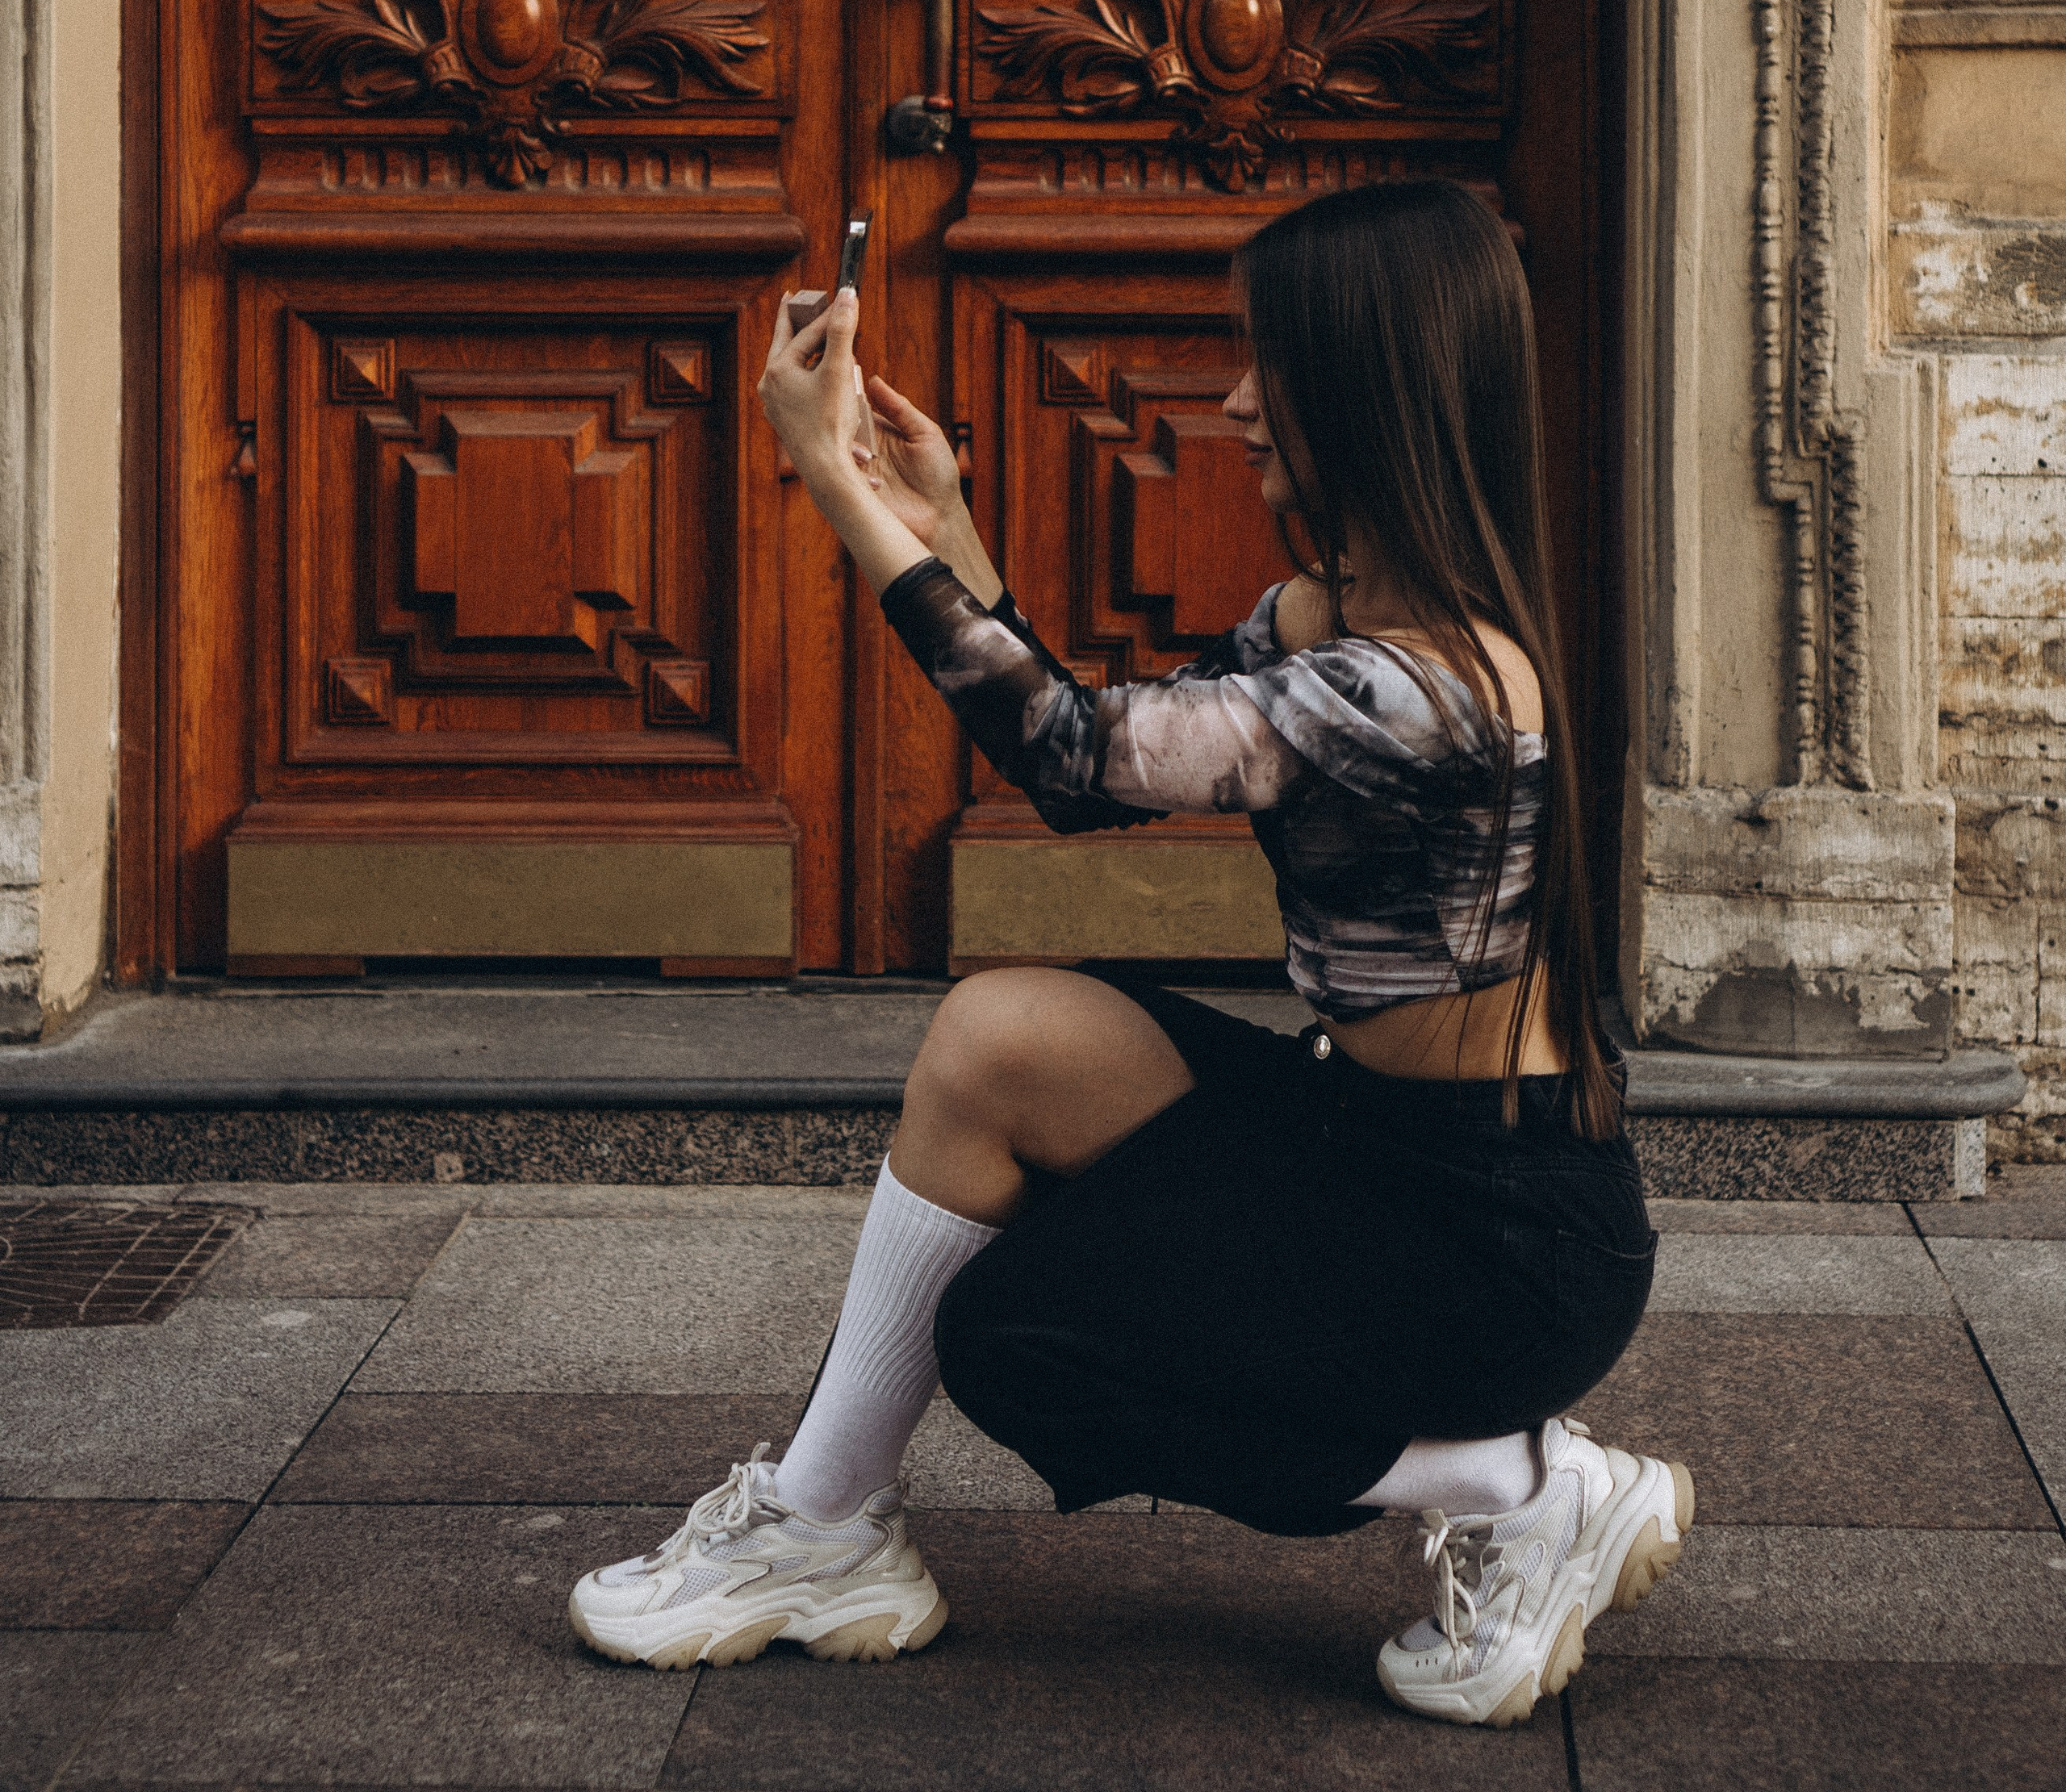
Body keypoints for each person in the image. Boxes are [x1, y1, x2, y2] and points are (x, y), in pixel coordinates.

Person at [568, 180, 1693, 1727]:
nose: (1234, 401)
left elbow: (1076, 752)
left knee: (1020, 1345)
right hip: (1379, 1143)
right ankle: (823, 1529)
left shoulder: (1430, 689)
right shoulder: (1337, 623)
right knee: (999, 1042)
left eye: (1267, 369)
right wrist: (937, 517)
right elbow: (1088, 752)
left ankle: (1516, 1484)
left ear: (1366, 390)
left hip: (1497, 1247)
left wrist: (833, 482)